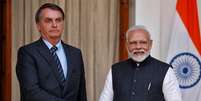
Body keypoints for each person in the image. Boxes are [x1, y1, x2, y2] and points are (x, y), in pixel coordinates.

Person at [16, 3, 87, 101]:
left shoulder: (75, 54)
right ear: (38, 26)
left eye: (58, 20)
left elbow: (81, 93)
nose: (54, 25)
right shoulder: (27, 53)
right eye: (48, 20)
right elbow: (31, 92)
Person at [99, 25, 182, 101]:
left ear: (150, 44)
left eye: (143, 42)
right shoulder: (115, 70)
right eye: (133, 43)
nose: (138, 47)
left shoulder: (166, 71)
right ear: (127, 45)